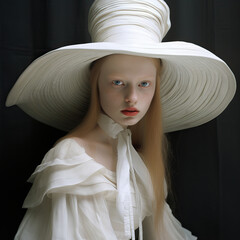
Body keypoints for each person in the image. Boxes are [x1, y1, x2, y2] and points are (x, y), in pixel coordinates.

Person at [6, 0, 236, 239]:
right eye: (118, 82)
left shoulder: (136, 157)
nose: (132, 98)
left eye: (144, 84)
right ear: (95, 83)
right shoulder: (72, 160)